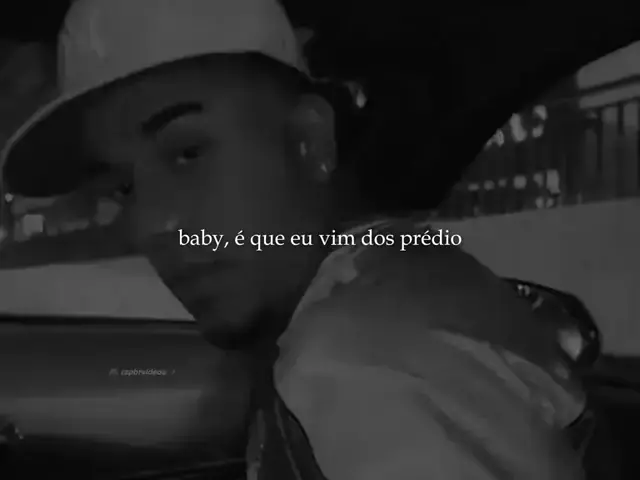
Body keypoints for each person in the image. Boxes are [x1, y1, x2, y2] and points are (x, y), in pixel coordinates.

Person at [0, 0, 587, 478]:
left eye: (188, 152)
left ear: (309, 141)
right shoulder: (397, 285)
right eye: (124, 186)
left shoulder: (358, 368)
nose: (151, 224)